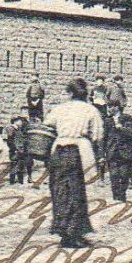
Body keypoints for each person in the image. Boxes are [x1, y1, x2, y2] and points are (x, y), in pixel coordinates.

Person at [44, 79, 102, 248]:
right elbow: (98, 135)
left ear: (70, 93)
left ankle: (64, 232)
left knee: (60, 191)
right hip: (79, 150)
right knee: (78, 192)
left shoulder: (59, 108)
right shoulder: (91, 110)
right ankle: (74, 233)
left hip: (59, 149)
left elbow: (47, 126)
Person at [104, 105, 132, 202]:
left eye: (110, 106)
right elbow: (103, 138)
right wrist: (101, 154)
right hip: (112, 152)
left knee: (124, 175)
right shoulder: (107, 121)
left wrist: (122, 128)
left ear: (116, 107)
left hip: (125, 152)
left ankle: (122, 196)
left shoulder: (126, 118)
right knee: (114, 175)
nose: (109, 109)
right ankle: (116, 198)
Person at [5, 113, 31, 185]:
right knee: (14, 165)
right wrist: (15, 149)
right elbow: (10, 141)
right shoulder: (11, 128)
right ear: (15, 121)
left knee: (21, 166)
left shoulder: (19, 129)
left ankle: (20, 182)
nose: (21, 122)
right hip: (15, 151)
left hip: (21, 150)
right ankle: (12, 182)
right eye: (20, 121)